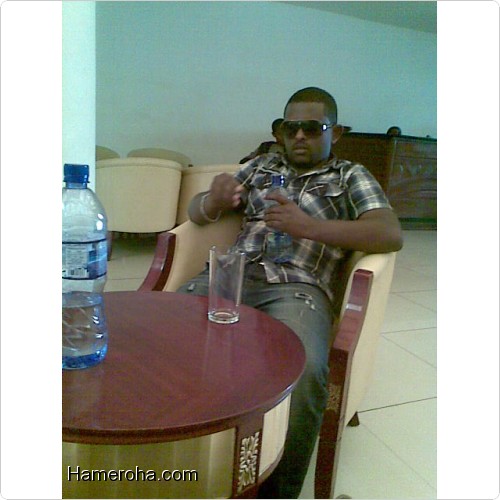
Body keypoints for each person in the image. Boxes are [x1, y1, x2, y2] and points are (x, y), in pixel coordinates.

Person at [178, 87, 403, 498]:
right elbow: (196, 212)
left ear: (336, 133)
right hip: (230, 275)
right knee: (158, 334)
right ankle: (172, 453)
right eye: (290, 127)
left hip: (297, 288)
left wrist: (309, 227)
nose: (299, 136)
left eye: (312, 128)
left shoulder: (350, 175)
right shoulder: (260, 166)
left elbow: (389, 233)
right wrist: (212, 199)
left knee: (304, 370)